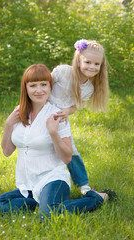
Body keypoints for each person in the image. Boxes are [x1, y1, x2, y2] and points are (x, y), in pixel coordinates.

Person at [0, 64, 115, 218]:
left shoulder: (57, 115)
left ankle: (96, 198)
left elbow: (67, 157)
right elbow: (7, 151)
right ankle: (42, 202)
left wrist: (53, 132)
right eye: (33, 85)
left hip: (53, 179)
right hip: (28, 183)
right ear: (26, 88)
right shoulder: (19, 112)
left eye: (44, 85)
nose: (39, 90)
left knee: (47, 215)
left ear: (50, 87)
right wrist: (8, 125)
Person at [48, 39, 109, 195]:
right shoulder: (62, 72)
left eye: (97, 64)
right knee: (43, 147)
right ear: (78, 60)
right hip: (42, 113)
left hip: (61, 120)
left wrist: (67, 111)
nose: (92, 67)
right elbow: (42, 86)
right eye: (88, 62)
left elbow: (75, 106)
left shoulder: (88, 87)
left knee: (71, 150)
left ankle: (83, 184)